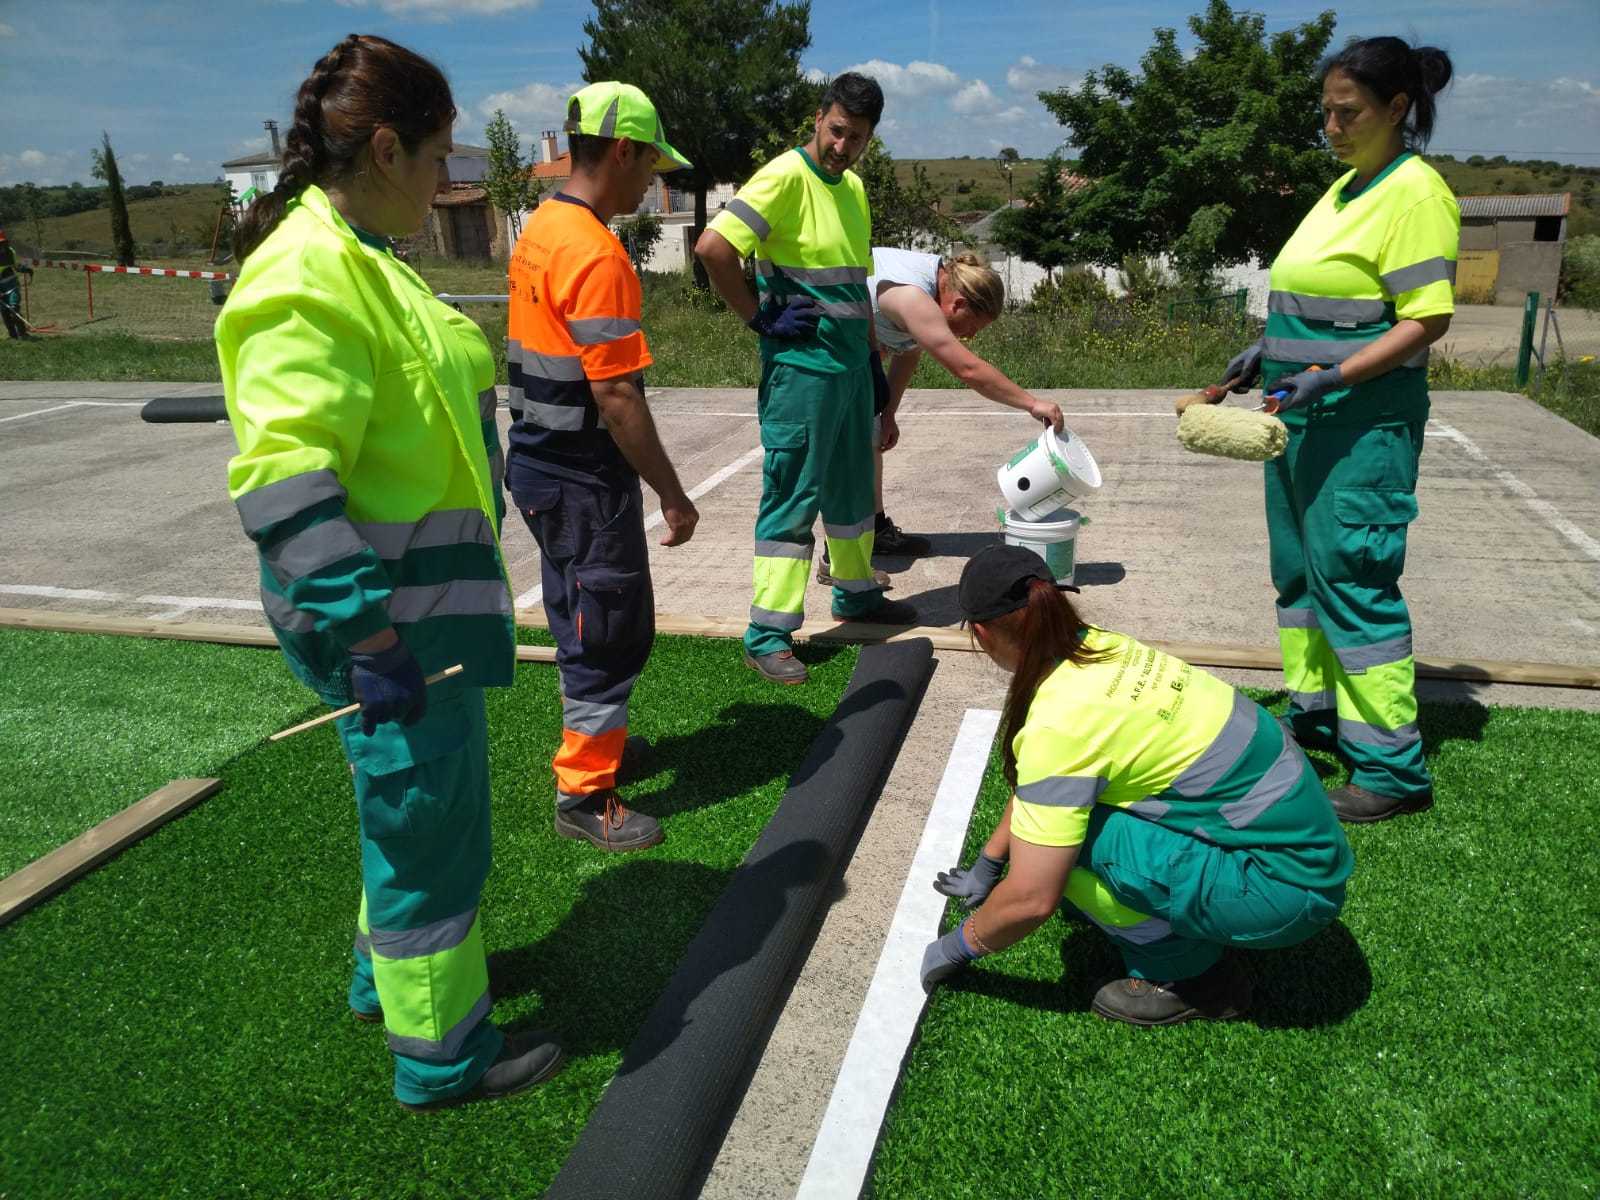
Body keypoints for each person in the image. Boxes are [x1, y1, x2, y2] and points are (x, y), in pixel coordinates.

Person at [216, 34, 561, 1110]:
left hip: (416, 617)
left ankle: (383, 979)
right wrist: (366, 638)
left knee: (414, 819)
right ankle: (443, 1055)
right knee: (429, 841)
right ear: (383, 149)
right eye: (439, 156)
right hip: (392, 628)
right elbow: (284, 486)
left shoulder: (364, 256)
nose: (445, 180)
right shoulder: (307, 276)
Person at [921, 545, 1353, 1025]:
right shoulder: (1104, 647)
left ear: (981, 633)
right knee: (1060, 827)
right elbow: (1043, 783)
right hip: (1307, 856)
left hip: (1285, 892)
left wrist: (957, 946)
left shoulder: (1060, 721)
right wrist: (989, 861)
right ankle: (1195, 912)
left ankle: (1192, 979)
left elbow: (1032, 897)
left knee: (1061, 855)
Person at [1219, 38, 1458, 824]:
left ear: (1397, 108)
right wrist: (1270, 351)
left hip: (1360, 426)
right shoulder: (1346, 188)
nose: (1331, 126)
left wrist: (1332, 376)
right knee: (1299, 578)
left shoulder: (1414, 193)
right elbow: (1330, 301)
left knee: (1354, 582)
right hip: (1299, 421)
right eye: (1325, 111)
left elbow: (1426, 319)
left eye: (1347, 112)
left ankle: (1390, 767)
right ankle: (1317, 713)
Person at [506, 82, 696, 852]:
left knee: (578, 613)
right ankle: (585, 792)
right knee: (608, 629)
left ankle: (600, 748)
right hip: (582, 475)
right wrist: (672, 494)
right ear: (622, 151)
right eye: (650, 164)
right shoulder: (595, 251)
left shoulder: (543, 225)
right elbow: (616, 395)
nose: (652, 181)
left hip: (538, 464)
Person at [695, 71, 917, 687]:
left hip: (848, 371)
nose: (843, 147)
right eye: (837, 131)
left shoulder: (854, 190)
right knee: (793, 496)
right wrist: (758, 318)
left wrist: (871, 362)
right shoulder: (785, 176)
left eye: (858, 138)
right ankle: (768, 633)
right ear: (819, 119)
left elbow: (854, 285)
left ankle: (855, 593)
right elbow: (713, 249)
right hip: (801, 372)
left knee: (852, 493)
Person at [845, 247, 1067, 568]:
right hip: (819, 346)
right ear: (959, 304)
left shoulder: (934, 285)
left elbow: (908, 351)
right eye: (973, 326)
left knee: (871, 433)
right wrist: (1032, 403)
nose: (971, 336)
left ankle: (874, 531)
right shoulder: (914, 296)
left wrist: (889, 413)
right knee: (850, 449)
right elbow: (968, 369)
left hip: (850, 348)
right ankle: (841, 556)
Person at [0, 229, 34, 339]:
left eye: (3, 243)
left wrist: (25, 269)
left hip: (11, 283)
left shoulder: (10, 251)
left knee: (14, 308)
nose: (2, 246)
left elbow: (15, 266)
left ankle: (22, 333)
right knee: (5, 311)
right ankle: (13, 336)